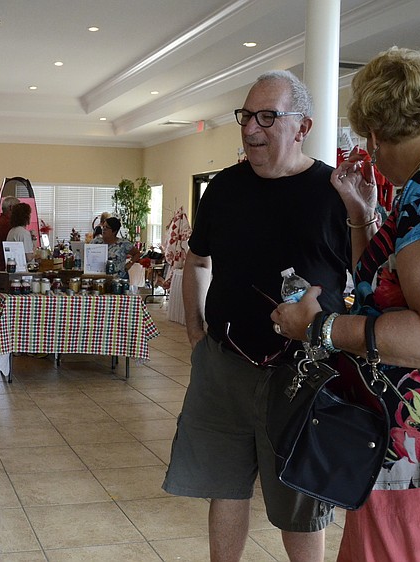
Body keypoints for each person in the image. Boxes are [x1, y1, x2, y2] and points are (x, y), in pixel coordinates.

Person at [273, 48, 420, 562]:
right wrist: (363, 218)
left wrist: (321, 328)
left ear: (377, 133)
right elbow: (391, 289)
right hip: (407, 444)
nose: (369, 155)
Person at [162, 70, 352, 562]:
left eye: (268, 117)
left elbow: (363, 278)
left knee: (299, 502)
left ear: (302, 126)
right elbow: (197, 262)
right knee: (224, 487)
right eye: (247, 116)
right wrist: (198, 334)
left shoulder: (332, 192)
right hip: (224, 364)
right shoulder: (224, 188)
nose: (250, 129)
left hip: (300, 374)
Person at [0, 196, 20, 272]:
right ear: (11, 208)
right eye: (18, 207)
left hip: (2, 264)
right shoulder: (6, 223)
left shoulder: (1, 221)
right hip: (6, 266)